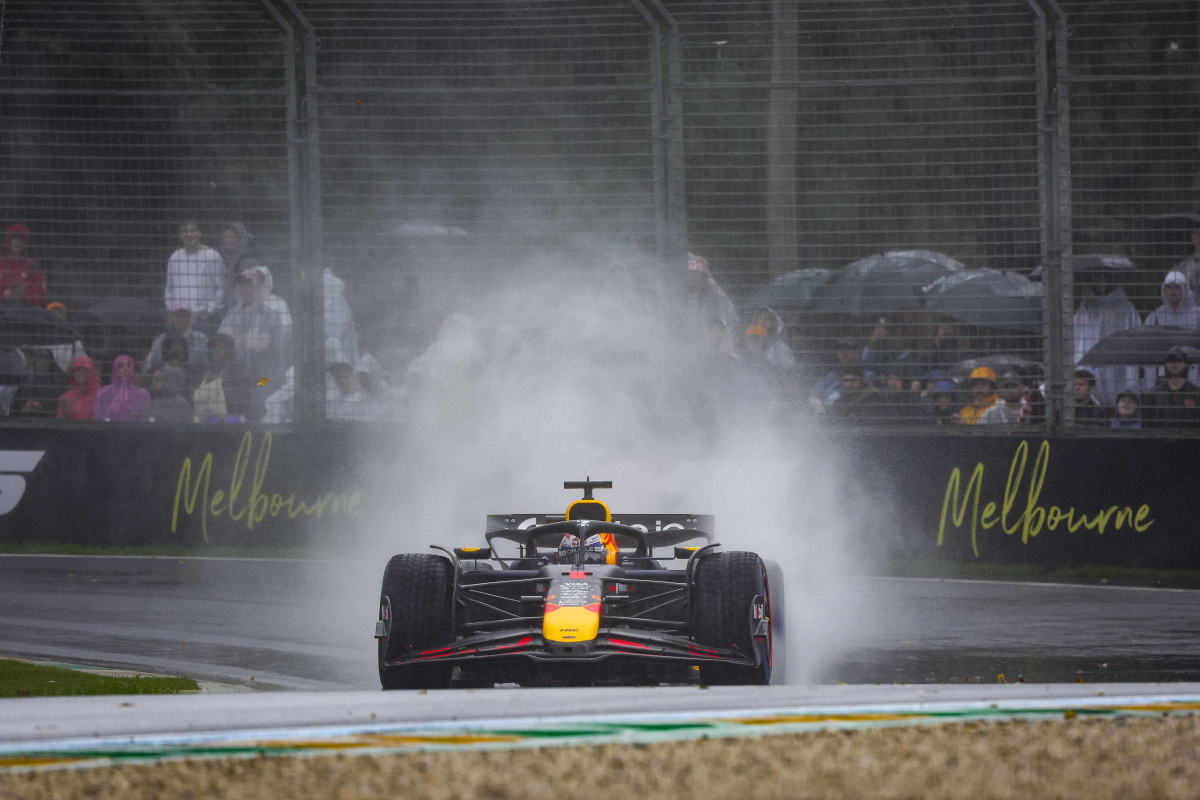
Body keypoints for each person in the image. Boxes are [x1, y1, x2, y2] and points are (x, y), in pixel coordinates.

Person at [217, 266, 292, 396]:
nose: (245, 289)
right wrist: (249, 340)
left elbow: (260, 345)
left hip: (264, 378)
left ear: (259, 288)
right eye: (242, 284)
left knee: (258, 397)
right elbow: (222, 344)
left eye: (250, 285)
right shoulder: (231, 314)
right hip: (236, 378)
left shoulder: (270, 315)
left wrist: (236, 340)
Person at [1073, 271, 1140, 406]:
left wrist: (1114, 321)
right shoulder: (1086, 306)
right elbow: (1078, 339)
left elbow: (1132, 336)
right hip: (1091, 364)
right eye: (1097, 279)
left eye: (1104, 279)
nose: (1100, 284)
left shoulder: (1124, 307)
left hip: (1116, 367)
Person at [164, 220, 226, 337]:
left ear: (199, 233)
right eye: (185, 231)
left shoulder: (212, 256)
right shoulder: (175, 257)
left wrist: (210, 310)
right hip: (179, 320)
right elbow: (169, 289)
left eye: (192, 231)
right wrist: (173, 311)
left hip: (203, 320)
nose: (189, 234)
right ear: (181, 236)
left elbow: (221, 288)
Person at [192, 333, 254, 422]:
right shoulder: (204, 371)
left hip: (226, 426)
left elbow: (243, 401)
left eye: (220, 347)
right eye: (213, 347)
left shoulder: (237, 372)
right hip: (202, 427)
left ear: (228, 350)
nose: (215, 350)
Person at [686, 253, 739, 350]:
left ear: (704, 278)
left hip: (713, 351)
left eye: (697, 274)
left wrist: (712, 283)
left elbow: (731, 315)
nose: (694, 277)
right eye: (691, 273)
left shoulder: (715, 299)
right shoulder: (682, 299)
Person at [1142, 346, 1200, 429]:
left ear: (1185, 364)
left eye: (1178, 360)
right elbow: (1148, 426)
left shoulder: (1196, 393)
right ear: (1166, 364)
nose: (1174, 363)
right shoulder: (1153, 395)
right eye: (1171, 360)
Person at [144, 306, 208, 378]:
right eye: (177, 315)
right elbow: (148, 365)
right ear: (172, 318)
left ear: (190, 318)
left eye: (185, 315)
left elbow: (206, 366)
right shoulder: (160, 339)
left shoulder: (201, 339)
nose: (181, 318)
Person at [0, 224, 48, 306]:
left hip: (25, 314)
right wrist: (3, 295)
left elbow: (43, 295)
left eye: (22, 239)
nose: (17, 242)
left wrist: (25, 295)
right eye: (14, 237)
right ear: (8, 239)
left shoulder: (33, 267)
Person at [93, 355, 151, 422]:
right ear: (116, 369)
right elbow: (98, 418)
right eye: (121, 366)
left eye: (128, 366)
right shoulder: (104, 393)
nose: (125, 369)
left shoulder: (141, 394)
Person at [14, 348, 69, 418]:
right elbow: (17, 405)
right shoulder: (28, 382)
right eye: (39, 361)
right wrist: (25, 407)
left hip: (52, 422)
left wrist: (41, 406)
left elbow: (62, 402)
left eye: (44, 362)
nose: (41, 365)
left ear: (50, 363)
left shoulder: (60, 381)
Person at [56, 355, 99, 420]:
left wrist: (71, 414)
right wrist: (65, 413)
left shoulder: (100, 394)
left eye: (84, 370)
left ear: (91, 371)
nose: (80, 373)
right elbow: (58, 422)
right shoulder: (67, 396)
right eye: (77, 370)